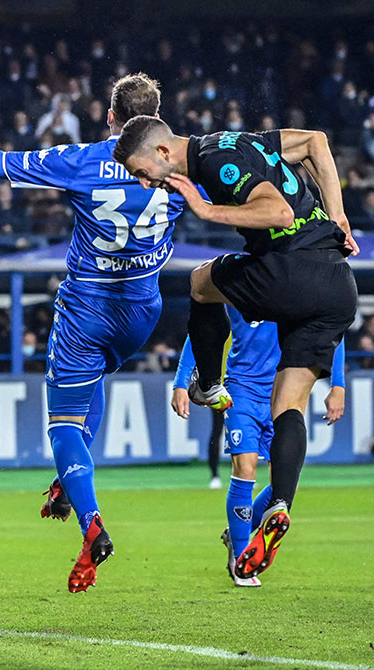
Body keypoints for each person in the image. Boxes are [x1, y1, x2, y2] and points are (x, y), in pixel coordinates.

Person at [0, 73, 188, 592]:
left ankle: (91, 522)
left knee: (61, 424)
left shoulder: (82, 160)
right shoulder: (182, 159)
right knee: (97, 380)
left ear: (110, 118)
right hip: (144, 308)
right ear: (158, 115)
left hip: (88, 307)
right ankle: (70, 483)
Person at [113, 116, 358, 580]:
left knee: (200, 282)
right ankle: (280, 504)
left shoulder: (213, 161)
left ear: (163, 152)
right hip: (336, 286)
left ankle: (209, 383)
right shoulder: (240, 141)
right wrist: (338, 215)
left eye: (142, 171)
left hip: (293, 270)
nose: (144, 182)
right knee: (289, 404)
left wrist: (208, 212)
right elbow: (315, 141)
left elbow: (279, 213)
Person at [172, 309, 346, 587]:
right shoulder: (239, 279)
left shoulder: (295, 283)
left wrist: (337, 384)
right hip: (241, 389)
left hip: (285, 392)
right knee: (246, 467)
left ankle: (238, 533)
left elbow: (331, 325)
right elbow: (203, 325)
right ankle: (240, 557)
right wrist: (180, 383)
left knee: (285, 486)